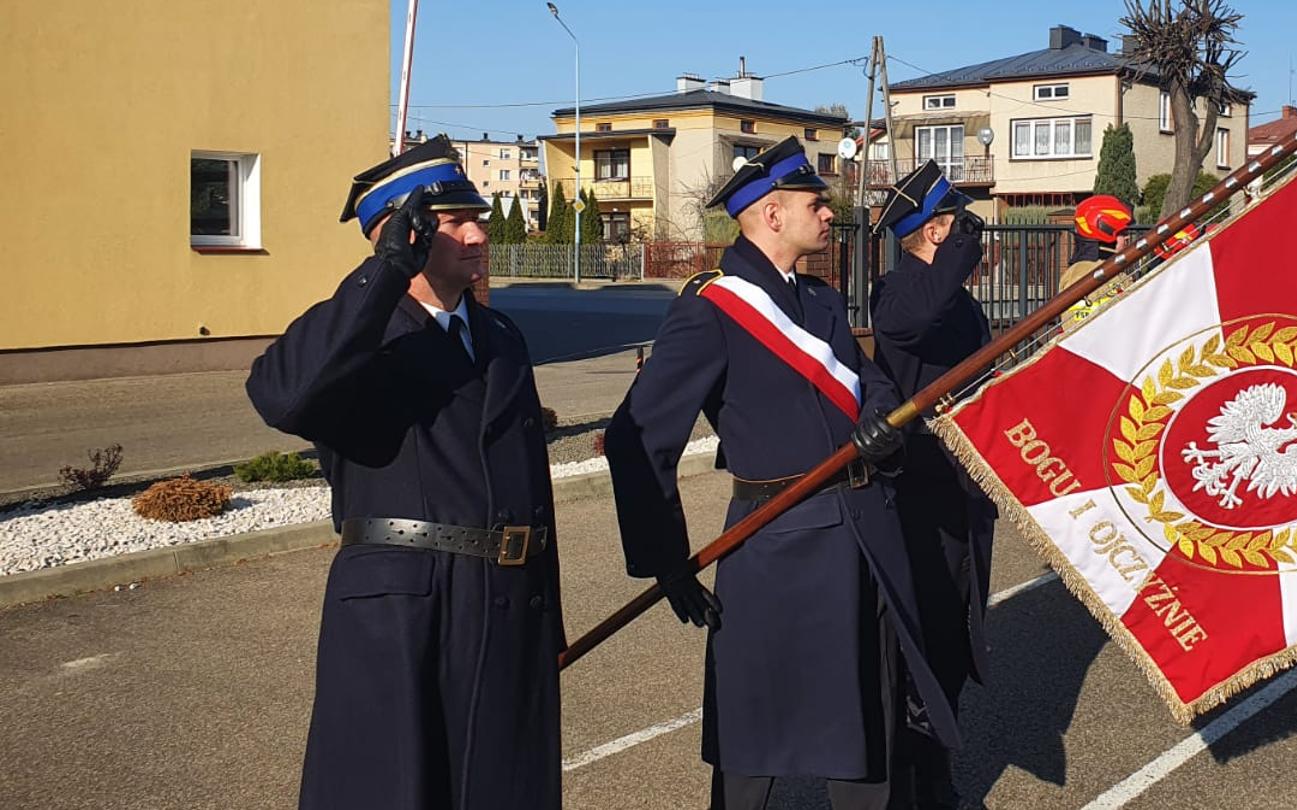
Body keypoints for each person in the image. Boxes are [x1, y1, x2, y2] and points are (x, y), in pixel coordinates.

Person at [601, 136, 958, 810]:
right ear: (771, 214)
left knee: (870, 717)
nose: (828, 213)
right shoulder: (711, 308)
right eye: (814, 203)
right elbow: (636, 437)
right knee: (754, 730)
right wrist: (665, 559)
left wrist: (881, 427)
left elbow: (873, 383)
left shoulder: (820, 300)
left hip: (865, 531)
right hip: (779, 540)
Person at [246, 135, 565, 810]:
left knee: (499, 786)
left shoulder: (501, 336)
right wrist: (383, 273)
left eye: (478, 217)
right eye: (456, 222)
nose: (479, 235)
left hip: (506, 602)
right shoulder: (360, 335)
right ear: (405, 233)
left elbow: (529, 486)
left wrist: (547, 620)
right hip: (408, 610)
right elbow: (280, 396)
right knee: (399, 787)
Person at [867, 161, 996, 808]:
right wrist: (962, 252)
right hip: (922, 495)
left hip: (963, 492)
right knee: (921, 640)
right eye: (959, 222)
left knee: (953, 633)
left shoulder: (955, 296)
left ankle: (937, 772)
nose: (972, 233)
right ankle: (913, 782)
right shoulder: (896, 291)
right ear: (937, 231)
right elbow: (916, 323)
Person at [1059, 194, 1135, 326]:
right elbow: (1077, 326)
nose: (1127, 237)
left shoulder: (1107, 269)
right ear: (1105, 230)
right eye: (1122, 233)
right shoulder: (1082, 274)